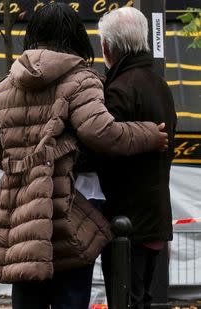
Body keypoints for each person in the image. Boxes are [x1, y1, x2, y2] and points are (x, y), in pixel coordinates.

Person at [0, 3, 169, 309]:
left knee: (28, 283)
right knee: (71, 292)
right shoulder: (82, 78)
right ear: (76, 36)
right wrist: (148, 134)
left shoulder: (5, 86)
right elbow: (100, 132)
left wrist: (26, 170)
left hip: (20, 207)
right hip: (69, 204)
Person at [96, 7, 177, 309]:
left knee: (124, 299)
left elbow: (104, 151)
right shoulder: (161, 87)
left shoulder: (117, 91)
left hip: (124, 223)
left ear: (107, 47)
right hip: (155, 215)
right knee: (142, 298)